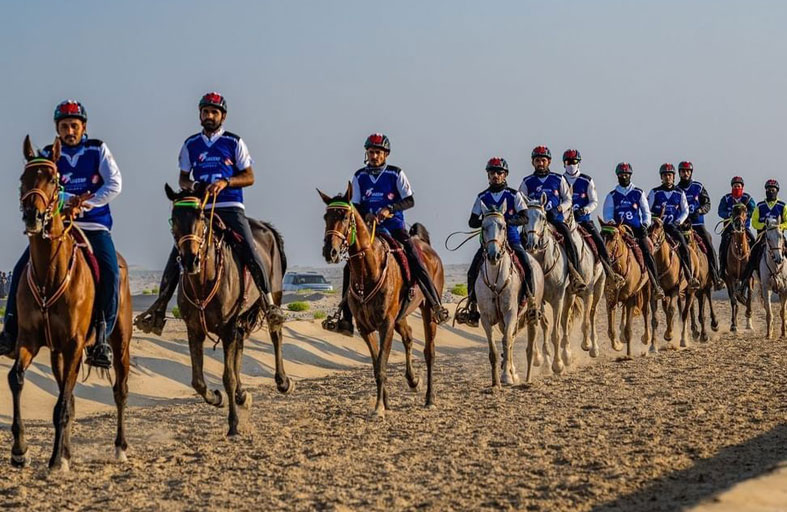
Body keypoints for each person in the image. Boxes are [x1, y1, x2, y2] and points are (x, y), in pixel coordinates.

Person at [134, 92, 286, 334]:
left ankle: (268, 304)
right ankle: (159, 308)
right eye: (205, 112)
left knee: (249, 248)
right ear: (200, 115)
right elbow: (183, 178)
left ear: (222, 116)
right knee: (178, 252)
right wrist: (194, 186)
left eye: (214, 112)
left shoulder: (234, 142)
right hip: (200, 209)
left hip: (230, 207)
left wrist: (226, 182)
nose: (209, 116)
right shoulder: (191, 144)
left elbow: (250, 177)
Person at [0, 100, 121, 368]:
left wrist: (86, 202)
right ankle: (9, 331)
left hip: (93, 225)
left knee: (111, 272)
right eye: (64, 126)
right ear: (58, 129)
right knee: (21, 268)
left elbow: (114, 184)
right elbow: (40, 186)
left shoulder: (97, 149)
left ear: (83, 127)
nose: (69, 131)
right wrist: (64, 202)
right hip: (56, 227)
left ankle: (102, 337)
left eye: (74, 126)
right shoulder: (47, 154)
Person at [323, 133, 450, 336]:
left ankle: (435, 304)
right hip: (368, 230)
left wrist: (390, 209)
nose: (374, 156)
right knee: (350, 266)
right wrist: (367, 215)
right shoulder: (359, 176)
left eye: (378, 153)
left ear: (386, 154)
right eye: (371, 152)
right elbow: (354, 205)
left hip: (394, 227)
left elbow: (410, 200)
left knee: (414, 257)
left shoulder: (395, 174)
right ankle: (345, 317)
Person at [455, 157, 535, 327]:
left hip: (511, 237)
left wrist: (506, 222)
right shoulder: (482, 197)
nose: (496, 176)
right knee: (472, 271)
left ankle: (533, 303)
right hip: (489, 241)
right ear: (488, 175)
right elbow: (472, 221)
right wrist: (487, 221)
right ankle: (472, 307)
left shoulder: (514, 195)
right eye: (492, 173)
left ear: (505, 175)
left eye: (499, 172)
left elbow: (525, 217)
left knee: (526, 265)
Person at [519, 146, 586, 291]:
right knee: (519, 242)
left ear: (548, 162)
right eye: (537, 160)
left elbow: (568, 200)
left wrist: (558, 209)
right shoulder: (527, 182)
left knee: (569, 238)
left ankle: (576, 275)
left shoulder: (558, 179)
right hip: (534, 223)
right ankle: (521, 280)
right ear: (533, 162)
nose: (540, 163)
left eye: (543, 160)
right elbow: (520, 202)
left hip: (555, 219)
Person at [601, 162, 665, 299]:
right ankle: (604, 280)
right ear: (617, 176)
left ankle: (656, 285)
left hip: (636, 229)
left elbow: (646, 212)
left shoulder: (638, 192)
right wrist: (610, 221)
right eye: (621, 174)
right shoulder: (611, 195)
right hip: (618, 229)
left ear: (630, 175)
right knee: (605, 248)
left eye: (626, 174)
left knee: (647, 251)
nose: (624, 176)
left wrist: (645, 223)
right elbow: (607, 213)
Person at [561, 148, 623, 285]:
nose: (571, 164)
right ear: (564, 163)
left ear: (579, 163)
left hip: (583, 220)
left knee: (599, 241)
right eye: (568, 161)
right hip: (564, 221)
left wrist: (584, 210)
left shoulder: (586, 180)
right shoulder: (560, 180)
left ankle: (610, 273)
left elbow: (594, 201)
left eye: (574, 161)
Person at [647, 163, 699, 289]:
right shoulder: (655, 192)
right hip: (657, 227)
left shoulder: (679, 192)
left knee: (684, 248)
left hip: (673, 227)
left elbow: (685, 210)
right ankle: (645, 278)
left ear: (674, 176)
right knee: (645, 247)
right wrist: (654, 219)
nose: (667, 177)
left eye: (670, 175)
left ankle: (689, 277)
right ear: (661, 177)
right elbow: (647, 209)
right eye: (665, 175)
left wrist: (679, 221)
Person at [735, 179, 787, 301]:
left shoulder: (782, 206)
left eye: (773, 190)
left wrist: (779, 227)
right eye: (768, 189)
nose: (771, 191)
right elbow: (754, 222)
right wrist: (764, 226)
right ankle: (743, 286)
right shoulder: (760, 206)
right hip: (763, 237)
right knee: (752, 257)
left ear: (777, 191)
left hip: (778, 237)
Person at [678, 161, 723, 289]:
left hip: (698, 224)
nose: (685, 173)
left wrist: (700, 210)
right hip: (682, 225)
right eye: (683, 171)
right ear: (680, 173)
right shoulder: (677, 189)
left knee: (709, 244)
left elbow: (707, 203)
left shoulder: (698, 186)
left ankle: (716, 277)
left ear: (691, 172)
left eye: (688, 171)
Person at [717, 176, 756, 280]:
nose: (736, 188)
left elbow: (754, 210)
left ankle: (755, 269)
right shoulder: (726, 198)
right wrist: (730, 214)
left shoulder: (748, 199)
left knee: (754, 242)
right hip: (730, 228)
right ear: (731, 187)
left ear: (742, 187)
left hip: (744, 228)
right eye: (735, 186)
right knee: (723, 244)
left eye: (738, 186)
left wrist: (746, 215)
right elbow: (720, 211)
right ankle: (722, 269)